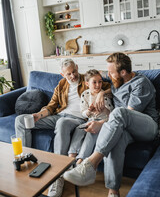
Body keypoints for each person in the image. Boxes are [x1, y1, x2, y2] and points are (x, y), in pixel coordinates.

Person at [64, 52, 159, 197]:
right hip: (125, 128)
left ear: (123, 72)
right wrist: (102, 93)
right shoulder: (118, 78)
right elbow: (97, 75)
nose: (107, 75)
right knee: (115, 140)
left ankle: (91, 163)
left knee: (119, 112)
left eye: (110, 72)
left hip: (147, 127)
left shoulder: (141, 84)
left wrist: (101, 123)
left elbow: (126, 115)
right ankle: (113, 191)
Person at [15, 58, 111, 197]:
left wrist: (102, 93)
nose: (73, 76)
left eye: (74, 71)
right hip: (59, 116)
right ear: (62, 75)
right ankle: (25, 163)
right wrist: (39, 115)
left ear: (77, 67)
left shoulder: (88, 79)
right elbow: (52, 105)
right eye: (69, 74)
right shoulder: (61, 84)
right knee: (20, 120)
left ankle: (57, 177)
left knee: (62, 123)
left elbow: (112, 86)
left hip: (78, 119)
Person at [68, 69, 114, 164]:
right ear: (87, 84)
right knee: (79, 129)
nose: (98, 85)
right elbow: (83, 112)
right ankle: (72, 155)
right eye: (94, 82)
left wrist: (105, 110)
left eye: (100, 82)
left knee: (91, 132)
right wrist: (89, 111)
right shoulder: (85, 95)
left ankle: (81, 159)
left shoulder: (104, 95)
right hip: (89, 119)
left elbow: (112, 114)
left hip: (103, 121)